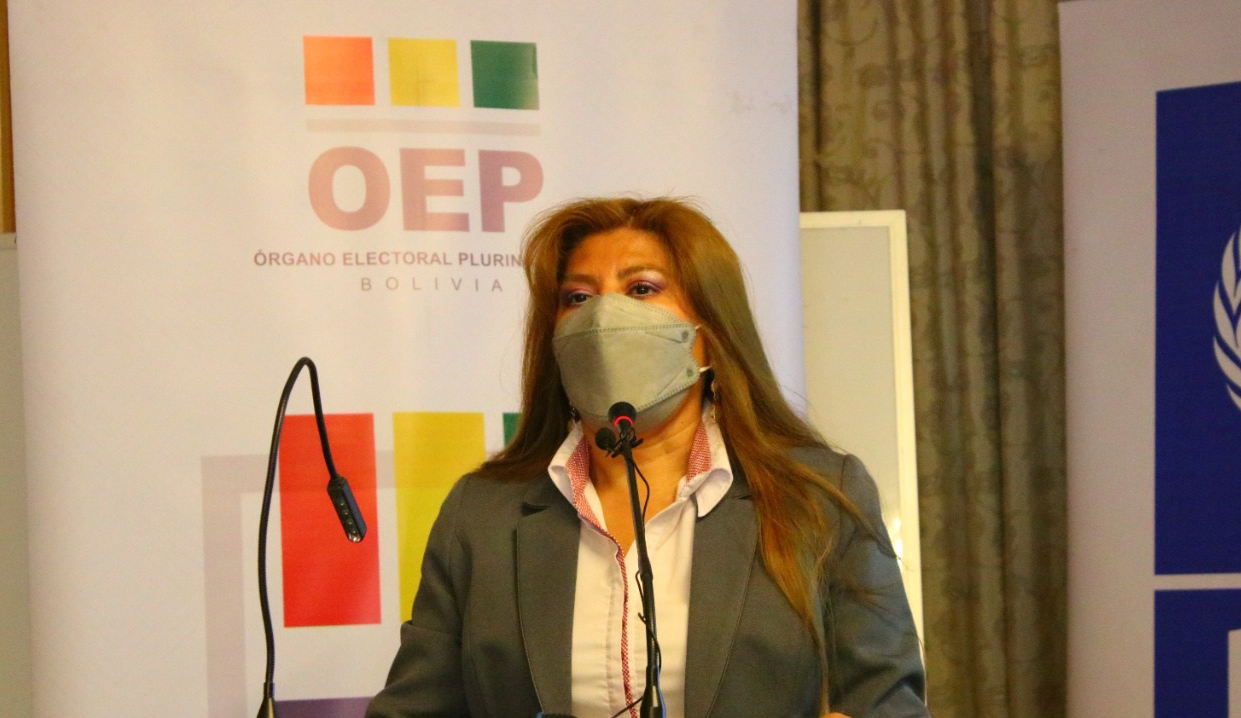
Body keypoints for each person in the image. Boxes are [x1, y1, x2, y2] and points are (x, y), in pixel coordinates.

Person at [366, 197, 928, 717]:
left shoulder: (819, 495)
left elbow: (887, 704)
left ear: (709, 331)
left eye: (640, 289)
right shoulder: (482, 513)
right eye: (578, 297)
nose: (603, 316)